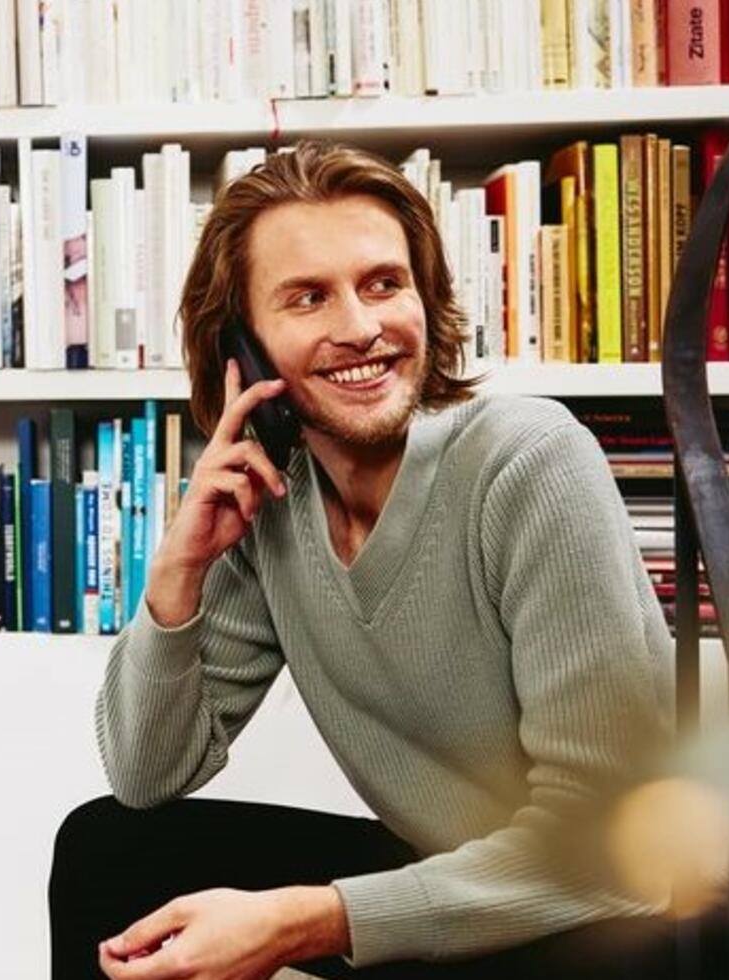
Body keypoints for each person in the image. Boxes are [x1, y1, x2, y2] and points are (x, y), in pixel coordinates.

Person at [49, 140, 676, 980]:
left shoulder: (528, 460)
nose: (360, 328)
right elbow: (145, 774)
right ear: (244, 349)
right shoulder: (273, 502)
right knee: (109, 846)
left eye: (384, 283)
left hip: (607, 922)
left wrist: (307, 921)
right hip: (447, 879)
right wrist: (176, 575)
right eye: (307, 298)